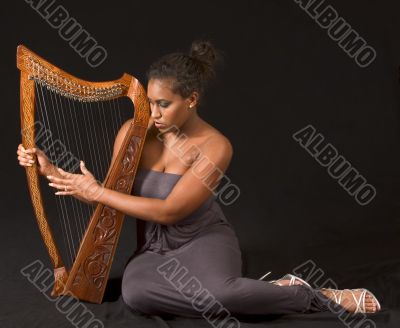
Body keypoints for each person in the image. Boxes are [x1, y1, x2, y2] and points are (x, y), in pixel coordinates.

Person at [17, 40, 381, 318]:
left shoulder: (215, 145)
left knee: (225, 296)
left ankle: (308, 294)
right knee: (137, 296)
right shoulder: (133, 132)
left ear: (191, 99)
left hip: (203, 239)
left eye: (164, 104)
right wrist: (53, 172)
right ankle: (255, 291)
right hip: (154, 250)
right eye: (149, 101)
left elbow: (171, 211)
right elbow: (110, 199)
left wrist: (97, 191)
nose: (152, 113)